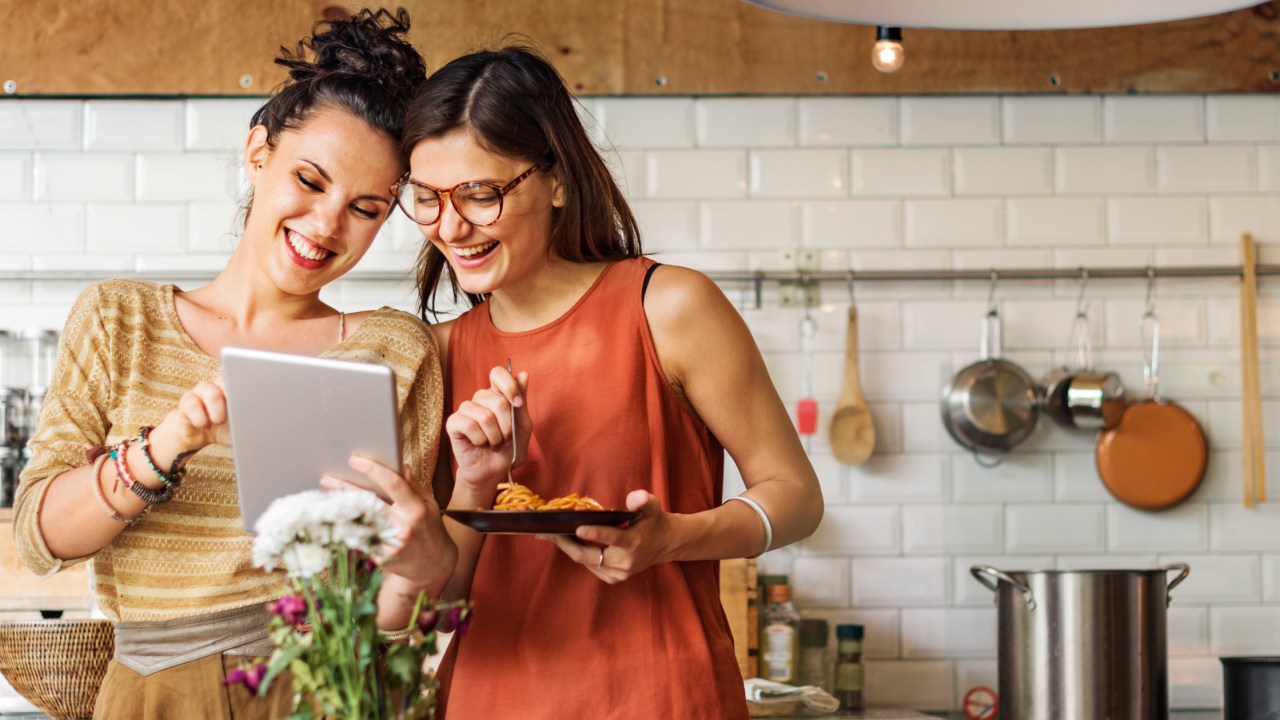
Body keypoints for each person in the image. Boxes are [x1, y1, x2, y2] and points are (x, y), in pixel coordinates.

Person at [12, 9, 455, 719]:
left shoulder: (398, 350)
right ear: (258, 153)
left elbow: (405, 590)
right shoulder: (121, 320)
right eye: (309, 181)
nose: (327, 225)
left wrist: (427, 558)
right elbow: (40, 538)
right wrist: (163, 448)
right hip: (160, 692)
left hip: (337, 682)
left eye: (366, 208)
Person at [397, 44, 824, 719]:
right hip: (487, 700)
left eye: (479, 194)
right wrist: (476, 483)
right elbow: (437, 600)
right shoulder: (438, 354)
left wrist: (671, 539)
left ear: (556, 180)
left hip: (659, 698)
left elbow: (798, 498)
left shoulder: (669, 308)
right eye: (425, 198)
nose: (450, 227)